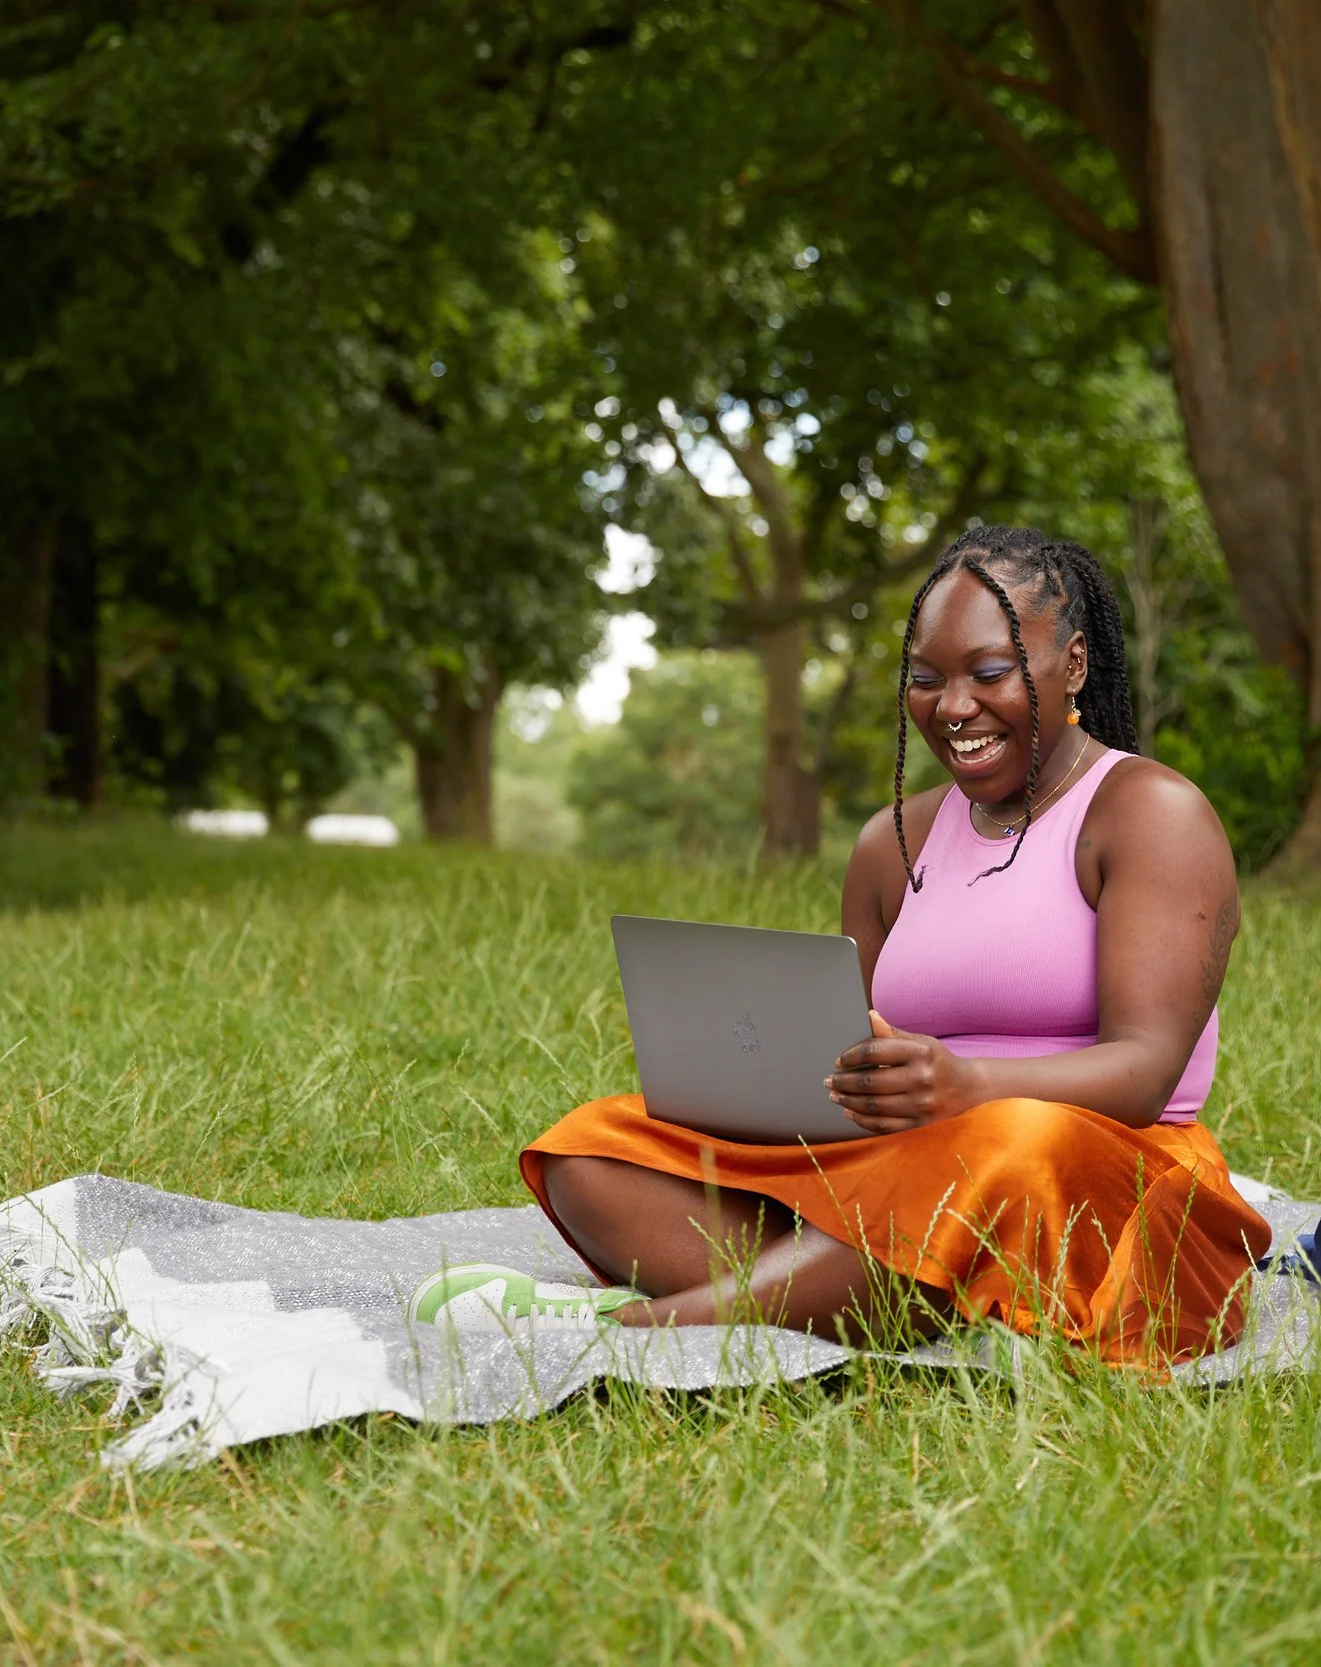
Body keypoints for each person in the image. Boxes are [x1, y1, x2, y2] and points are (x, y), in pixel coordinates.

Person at [441, 526, 1271, 1363]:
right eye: (924, 678)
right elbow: (842, 1042)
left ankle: (658, 1324)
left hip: (1095, 1165)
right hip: (906, 1163)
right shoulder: (892, 840)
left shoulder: (1149, 813)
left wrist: (970, 1085)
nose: (952, 707)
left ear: (1076, 665)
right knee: (593, 1148)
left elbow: (1146, 1067)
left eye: (990, 672)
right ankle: (887, 1286)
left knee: (1016, 1139)